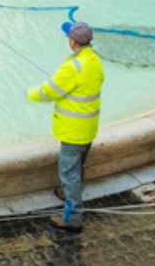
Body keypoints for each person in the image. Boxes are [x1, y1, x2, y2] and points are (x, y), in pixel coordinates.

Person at [26, 20, 104, 231]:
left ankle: (72, 217)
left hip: (73, 130)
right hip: (88, 127)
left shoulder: (73, 66)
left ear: (73, 42)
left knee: (69, 173)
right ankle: (70, 193)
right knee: (78, 167)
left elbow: (49, 91)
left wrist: (30, 93)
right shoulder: (94, 60)